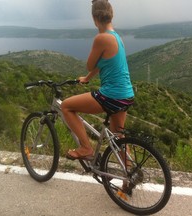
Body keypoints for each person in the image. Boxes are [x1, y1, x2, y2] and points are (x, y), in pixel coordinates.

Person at [61, 0, 134, 160]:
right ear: (111, 15)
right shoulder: (116, 37)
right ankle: (128, 178)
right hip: (126, 95)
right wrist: (87, 79)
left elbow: (90, 64)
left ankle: (86, 148)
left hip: (111, 95)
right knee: (119, 138)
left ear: (94, 18)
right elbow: (104, 63)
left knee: (66, 106)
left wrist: (87, 73)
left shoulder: (101, 38)